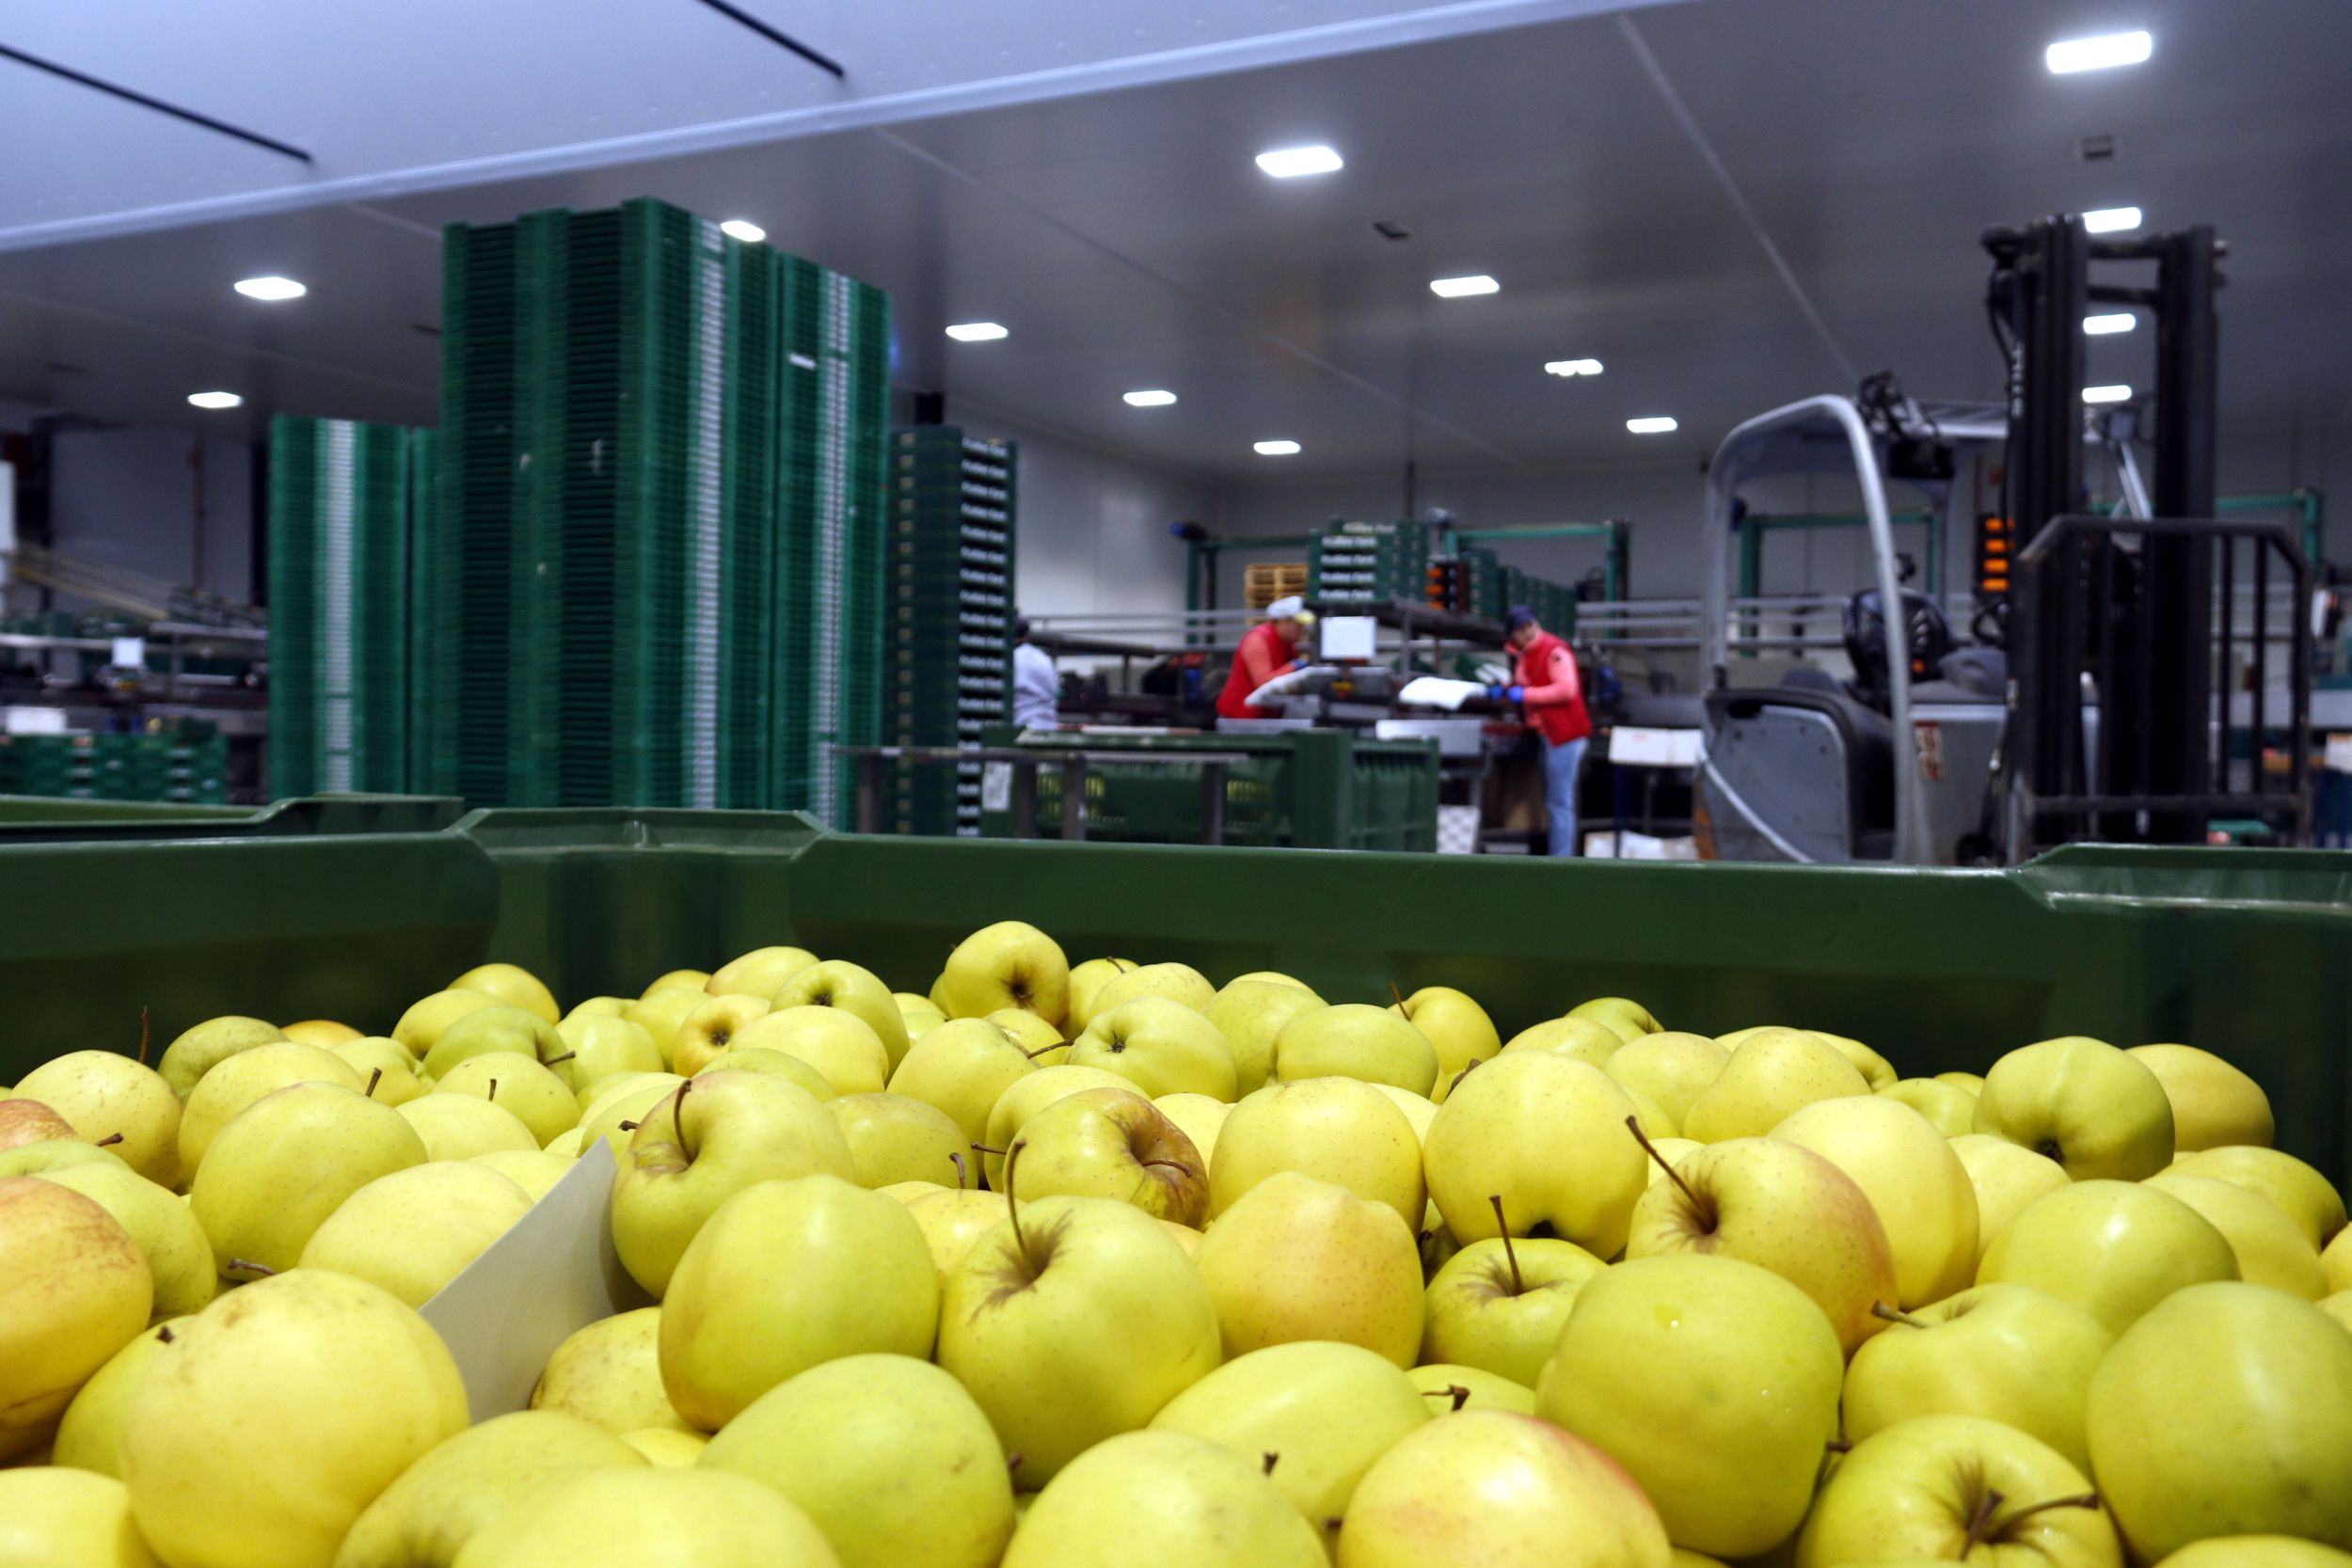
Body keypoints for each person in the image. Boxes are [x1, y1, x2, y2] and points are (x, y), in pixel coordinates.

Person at [1490, 604, 1592, 856]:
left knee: (1559, 802)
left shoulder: (1554, 650)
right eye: (1521, 629)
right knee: (1555, 801)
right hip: (1547, 735)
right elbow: (1528, 682)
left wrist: (1525, 694)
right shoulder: (1525, 655)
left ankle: (1561, 862)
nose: (1527, 632)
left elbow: (1566, 689)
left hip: (1565, 734)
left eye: (1530, 626)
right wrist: (1506, 689)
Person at [1215, 596, 1317, 721]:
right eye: (1298, 624)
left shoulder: (1287, 643)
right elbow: (1263, 683)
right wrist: (1294, 666)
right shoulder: (1257, 640)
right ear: (1283, 620)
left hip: (1265, 717)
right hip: (1240, 718)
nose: (1302, 629)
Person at [1011, 617, 1058, 731]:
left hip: (1022, 728)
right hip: (1049, 727)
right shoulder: (1043, 657)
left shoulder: (1012, 658)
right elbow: (1057, 691)